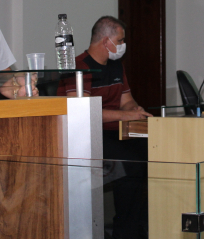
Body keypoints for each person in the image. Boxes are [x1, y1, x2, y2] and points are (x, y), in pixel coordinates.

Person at [58, 16, 150, 239]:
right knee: (130, 163)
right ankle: (125, 232)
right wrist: (125, 115)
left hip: (116, 131)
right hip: (87, 135)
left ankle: (144, 225)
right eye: (120, 40)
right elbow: (82, 111)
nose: (123, 45)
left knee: (154, 152)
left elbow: (126, 100)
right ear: (106, 41)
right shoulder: (79, 67)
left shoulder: (116, 65)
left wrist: (135, 110)